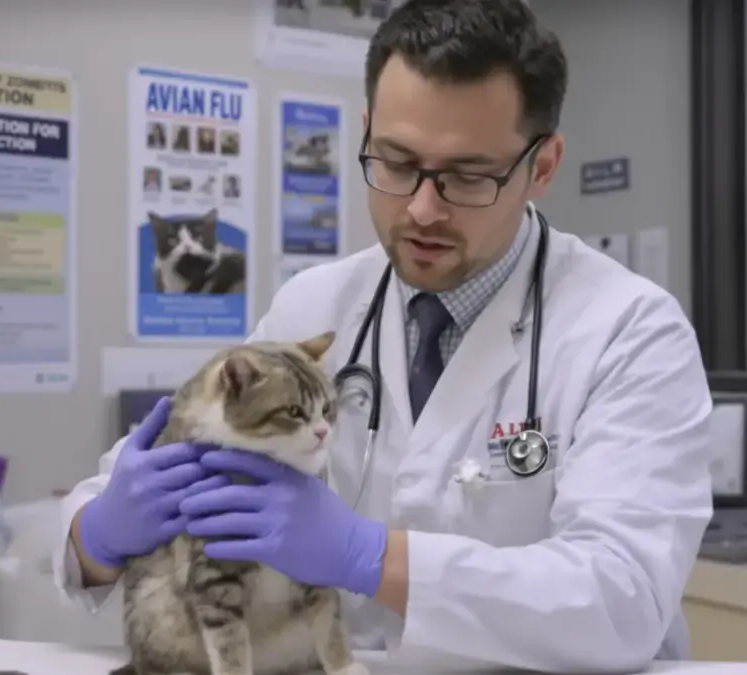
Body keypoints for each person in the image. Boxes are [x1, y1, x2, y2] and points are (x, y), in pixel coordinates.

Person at [53, 0, 713, 671]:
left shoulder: (629, 331)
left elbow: (623, 601)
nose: (423, 209)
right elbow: (108, 508)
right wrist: (101, 531)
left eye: (467, 175)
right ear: (365, 133)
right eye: (396, 162)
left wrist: (371, 557)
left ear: (542, 167)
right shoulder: (314, 305)